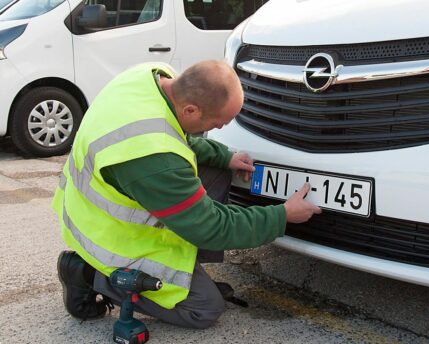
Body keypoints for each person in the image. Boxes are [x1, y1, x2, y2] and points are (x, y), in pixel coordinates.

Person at [52, 60, 321, 329]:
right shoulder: (153, 158)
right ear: (191, 109)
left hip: (101, 198)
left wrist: (225, 157)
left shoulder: (152, 76)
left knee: (217, 172)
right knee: (204, 308)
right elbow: (213, 226)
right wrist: (281, 215)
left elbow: (176, 134)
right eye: (217, 123)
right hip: (109, 235)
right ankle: (89, 274)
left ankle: (187, 268)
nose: (218, 129)